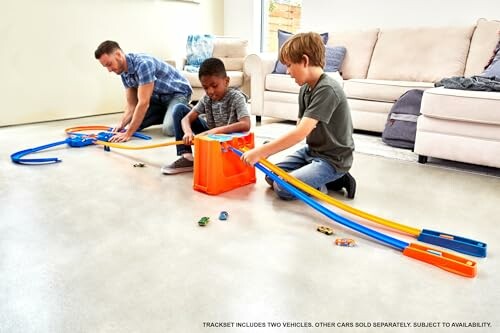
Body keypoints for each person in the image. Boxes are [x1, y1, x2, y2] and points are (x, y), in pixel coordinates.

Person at [241, 32, 356, 200]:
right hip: (312, 152)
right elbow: (300, 130)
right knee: (270, 175)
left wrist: (262, 151)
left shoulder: (327, 90)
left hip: (333, 161)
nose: (288, 72)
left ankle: (336, 179)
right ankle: (315, 177)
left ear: (304, 61)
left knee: (282, 187)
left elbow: (300, 133)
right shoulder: (305, 89)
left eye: (289, 65)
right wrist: (269, 148)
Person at [161, 57, 251, 174]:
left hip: (229, 140)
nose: (210, 91)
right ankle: (187, 158)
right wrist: (188, 132)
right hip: (210, 135)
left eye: (214, 86)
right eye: (205, 87)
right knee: (179, 109)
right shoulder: (206, 98)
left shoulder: (236, 97)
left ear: (226, 81)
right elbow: (185, 119)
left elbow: (246, 124)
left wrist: (217, 131)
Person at [94, 40, 192, 142]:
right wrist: (121, 125)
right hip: (158, 99)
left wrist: (128, 134)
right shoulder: (123, 72)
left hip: (178, 94)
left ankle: (186, 110)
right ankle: (169, 112)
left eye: (109, 64)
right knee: (133, 123)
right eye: (106, 66)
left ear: (118, 55)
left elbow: (143, 103)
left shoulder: (143, 64)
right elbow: (132, 105)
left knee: (169, 129)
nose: (109, 70)